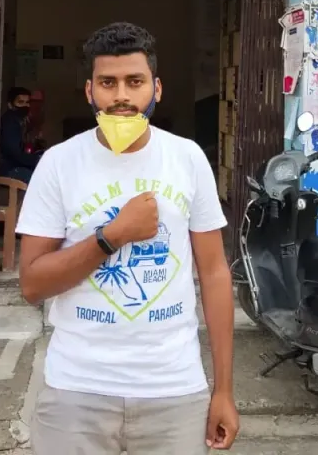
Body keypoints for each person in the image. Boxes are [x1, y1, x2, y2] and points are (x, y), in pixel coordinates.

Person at [16, 22, 240, 454]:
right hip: (75, 390)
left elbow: (214, 273)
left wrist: (224, 390)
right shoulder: (59, 164)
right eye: (108, 83)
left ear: (157, 88)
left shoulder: (187, 159)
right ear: (89, 91)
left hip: (174, 388)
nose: (121, 95)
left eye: (134, 82)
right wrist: (112, 236)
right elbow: (32, 284)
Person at [0, 86, 41, 183]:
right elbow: (15, 154)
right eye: (20, 102)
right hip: (9, 169)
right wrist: (38, 159)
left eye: (27, 102)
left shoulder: (18, 120)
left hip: (15, 165)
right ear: (10, 105)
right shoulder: (9, 122)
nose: (25, 106)